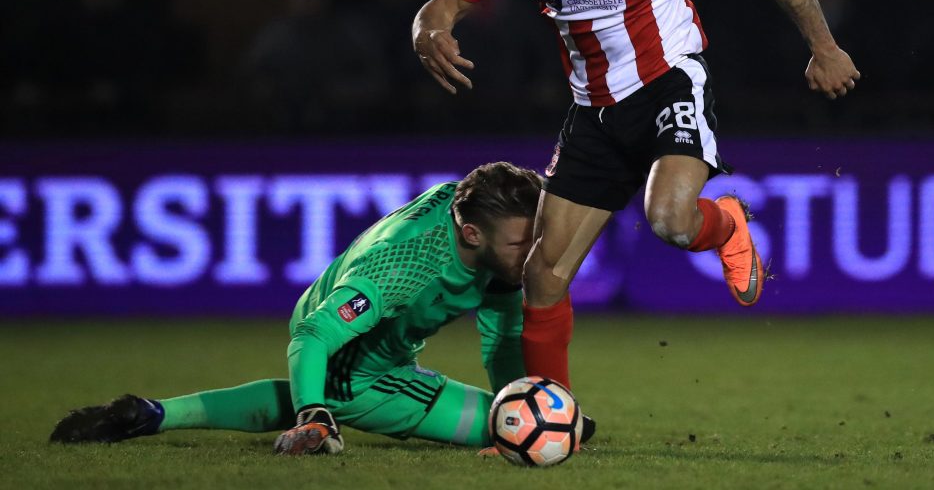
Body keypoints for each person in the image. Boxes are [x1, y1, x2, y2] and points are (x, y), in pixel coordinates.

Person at [412, 0, 861, 389]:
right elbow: (443, 5)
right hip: (592, 113)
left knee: (670, 221)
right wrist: (428, 32)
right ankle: (555, 418)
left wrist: (824, 48)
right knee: (543, 275)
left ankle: (724, 224)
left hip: (667, 83)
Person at [50, 162, 592, 454]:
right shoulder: (407, 266)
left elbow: (499, 336)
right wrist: (314, 414)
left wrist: (522, 397)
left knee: (514, 417)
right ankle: (314, 406)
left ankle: (153, 413)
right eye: (524, 244)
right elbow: (314, 335)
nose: (535, 254)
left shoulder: (489, 226)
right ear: (470, 234)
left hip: (369, 336)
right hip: (349, 350)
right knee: (501, 428)